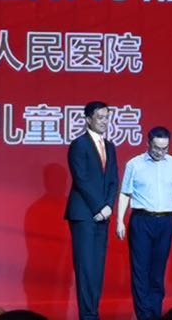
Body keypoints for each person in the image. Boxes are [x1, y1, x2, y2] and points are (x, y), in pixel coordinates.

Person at [115, 126, 172, 320]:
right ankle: (143, 315)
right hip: (141, 220)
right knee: (140, 271)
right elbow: (125, 193)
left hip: (165, 221)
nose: (160, 152)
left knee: (157, 271)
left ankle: (154, 313)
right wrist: (120, 220)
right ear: (148, 144)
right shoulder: (134, 164)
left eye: (165, 148)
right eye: (156, 148)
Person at [65, 101, 119, 320]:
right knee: (86, 268)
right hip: (84, 214)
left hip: (103, 215)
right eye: (100, 117)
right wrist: (99, 206)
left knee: (97, 269)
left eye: (107, 117)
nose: (104, 121)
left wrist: (108, 207)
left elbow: (113, 180)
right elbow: (82, 179)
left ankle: (93, 313)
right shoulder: (79, 145)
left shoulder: (110, 146)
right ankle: (87, 316)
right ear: (88, 119)